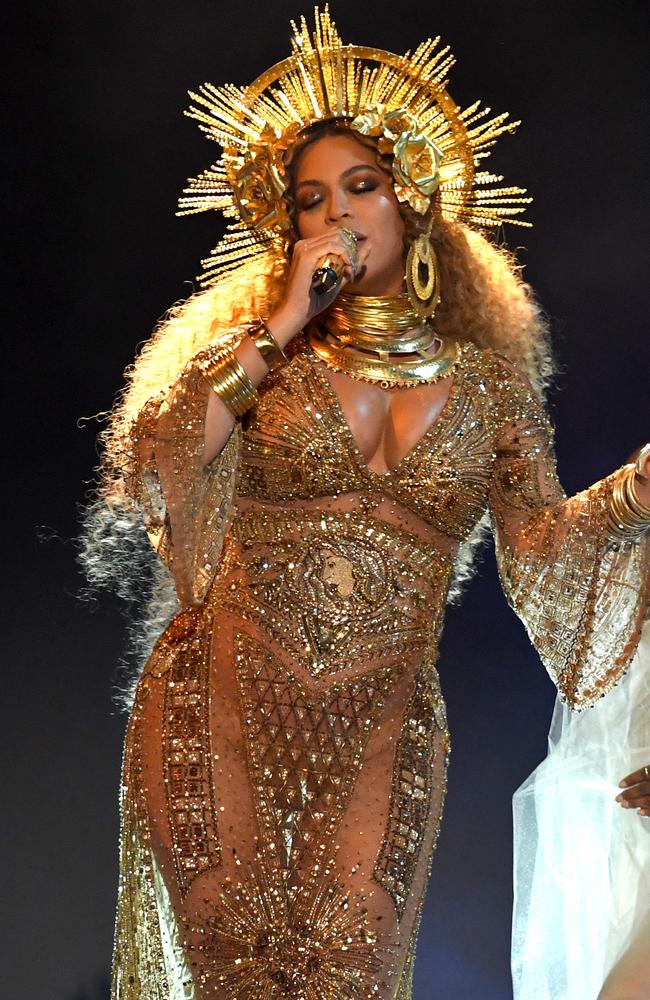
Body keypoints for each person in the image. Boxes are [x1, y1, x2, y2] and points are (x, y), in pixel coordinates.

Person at [83, 9, 650, 998]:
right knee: (246, 977)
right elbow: (162, 461)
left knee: (350, 975)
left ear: (412, 199)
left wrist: (640, 485)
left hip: (384, 728)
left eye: (360, 186)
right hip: (217, 702)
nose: (335, 214)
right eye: (309, 201)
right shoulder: (270, 361)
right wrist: (286, 317)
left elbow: (547, 556)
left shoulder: (489, 394)